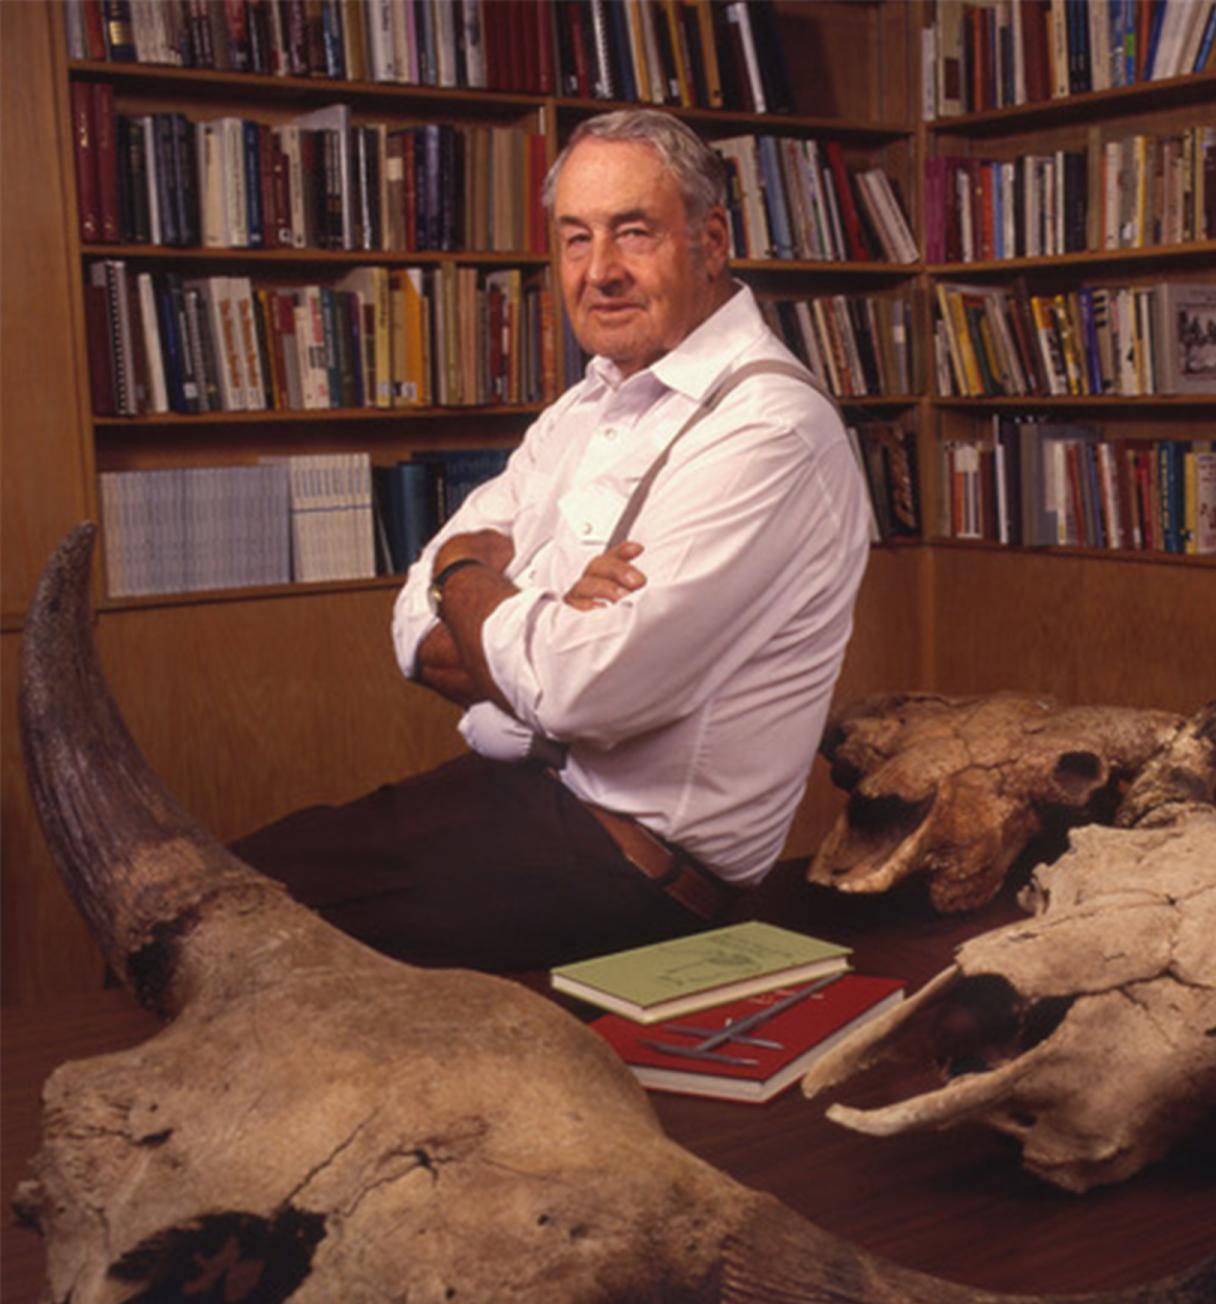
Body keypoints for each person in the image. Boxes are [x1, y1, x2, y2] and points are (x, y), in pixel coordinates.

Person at [232, 109, 870, 971]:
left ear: (711, 241)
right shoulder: (587, 406)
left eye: (632, 233)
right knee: (215, 881)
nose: (598, 272)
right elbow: (410, 634)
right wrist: (541, 617)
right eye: (575, 239)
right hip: (525, 803)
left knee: (214, 919)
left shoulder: (769, 430)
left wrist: (467, 573)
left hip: (626, 869)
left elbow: (577, 687)